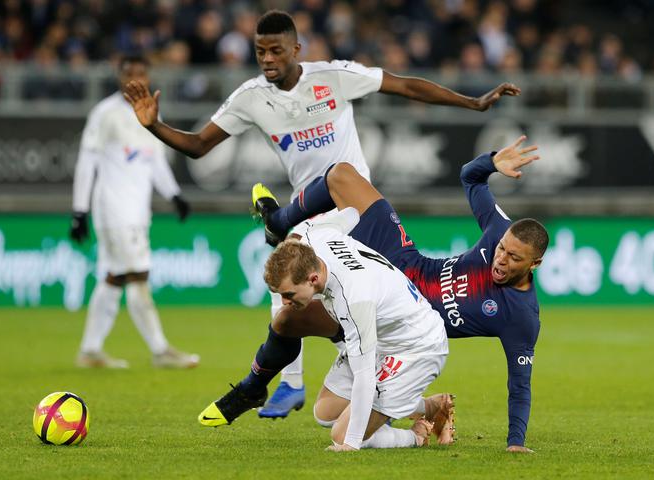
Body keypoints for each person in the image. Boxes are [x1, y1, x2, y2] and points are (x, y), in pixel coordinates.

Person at [123, 9, 521, 415]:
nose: (267, 59)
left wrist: (472, 102)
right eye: (260, 51)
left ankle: (283, 380)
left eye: (275, 50)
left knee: (295, 275)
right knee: (289, 298)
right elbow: (198, 145)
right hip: (310, 212)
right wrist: (154, 125)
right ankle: (312, 381)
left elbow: (403, 85)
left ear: (296, 48)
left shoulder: (332, 76)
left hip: (354, 207)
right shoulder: (250, 98)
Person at [211, 136, 545, 453]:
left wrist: (515, 441)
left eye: (514, 258)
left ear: (535, 264)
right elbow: (470, 178)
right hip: (402, 263)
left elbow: (520, 385)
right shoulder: (502, 231)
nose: (501, 258)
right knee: (341, 175)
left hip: (401, 324)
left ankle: (419, 417)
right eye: (502, 250)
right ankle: (277, 222)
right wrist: (491, 162)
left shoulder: (520, 316)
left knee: (300, 340)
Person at [201, 209, 455, 450]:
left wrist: (351, 443)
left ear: (313, 279)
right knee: (326, 412)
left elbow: (365, 375)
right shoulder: (315, 237)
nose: (285, 303)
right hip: (385, 334)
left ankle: (416, 436)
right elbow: (351, 213)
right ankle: (432, 406)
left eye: (289, 294)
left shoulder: (354, 298)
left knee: (342, 433)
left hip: (416, 348)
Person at [70, 54, 200, 369]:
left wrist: (174, 193)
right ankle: (160, 350)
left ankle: (89, 350)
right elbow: (87, 163)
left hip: (137, 211)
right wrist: (79, 210)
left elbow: (153, 159)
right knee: (138, 275)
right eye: (129, 73)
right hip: (114, 210)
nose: (136, 79)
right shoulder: (105, 114)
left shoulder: (149, 112)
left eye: (141, 73)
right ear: (120, 76)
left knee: (115, 277)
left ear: (149, 75)